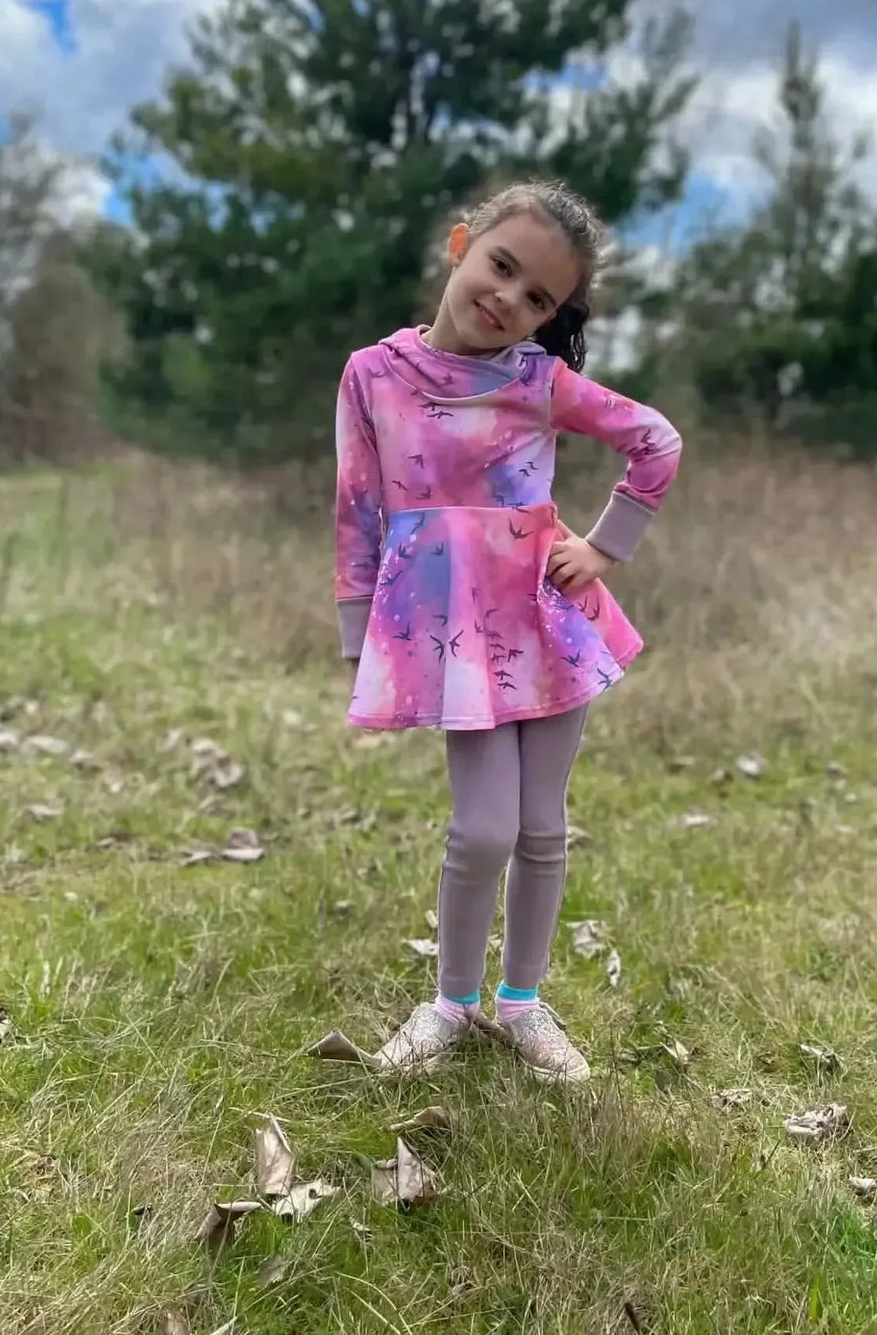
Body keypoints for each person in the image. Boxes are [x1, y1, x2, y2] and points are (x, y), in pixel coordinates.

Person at [334, 179, 682, 1082]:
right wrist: (358, 634)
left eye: (537, 299)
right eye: (501, 266)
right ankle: (451, 1003)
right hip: (454, 633)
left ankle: (522, 1004)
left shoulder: (536, 381)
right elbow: (358, 507)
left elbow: (656, 441)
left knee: (541, 827)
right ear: (461, 245)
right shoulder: (374, 374)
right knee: (483, 829)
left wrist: (603, 547)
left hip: (549, 621)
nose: (508, 300)